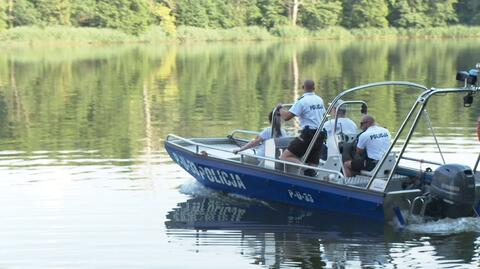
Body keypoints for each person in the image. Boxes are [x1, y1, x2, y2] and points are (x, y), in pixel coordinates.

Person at [277, 79, 326, 175]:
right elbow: (323, 114)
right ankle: (310, 177)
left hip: (308, 135)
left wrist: (280, 108)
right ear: (314, 88)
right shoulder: (320, 100)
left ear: (303, 88)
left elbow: (286, 117)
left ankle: (305, 168)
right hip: (320, 134)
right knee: (312, 163)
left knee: (285, 157)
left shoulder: (302, 101)